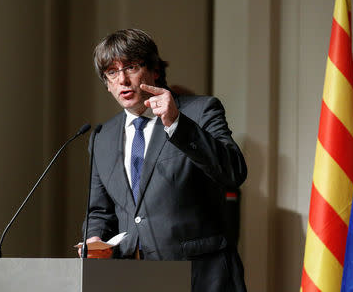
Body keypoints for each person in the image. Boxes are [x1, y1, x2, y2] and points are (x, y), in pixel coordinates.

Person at [80, 28, 247, 292]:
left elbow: (233, 172)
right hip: (133, 278)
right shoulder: (102, 137)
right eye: (112, 72)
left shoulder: (200, 111)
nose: (122, 79)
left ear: (155, 70)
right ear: (107, 83)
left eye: (131, 67)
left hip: (199, 277)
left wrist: (177, 124)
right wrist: (95, 239)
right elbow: (99, 211)